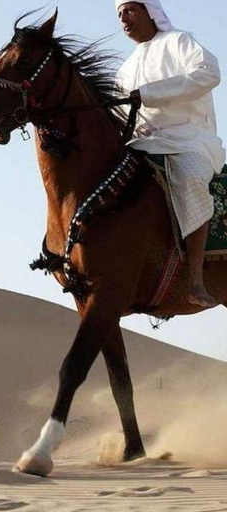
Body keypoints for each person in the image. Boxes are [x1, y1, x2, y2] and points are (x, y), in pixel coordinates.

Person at [116, 0, 226, 307]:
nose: (124, 18)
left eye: (130, 10)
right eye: (119, 14)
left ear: (151, 11)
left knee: (190, 176)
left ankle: (195, 280)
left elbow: (209, 74)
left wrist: (150, 94)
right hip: (143, 144)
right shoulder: (124, 70)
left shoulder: (179, 41)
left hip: (189, 140)